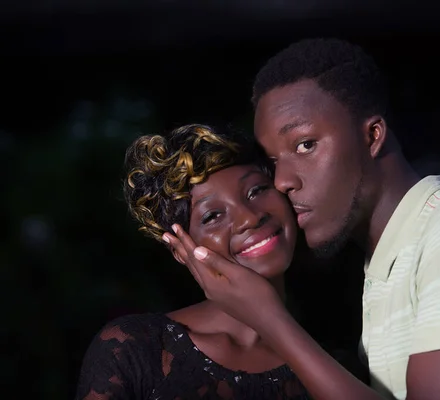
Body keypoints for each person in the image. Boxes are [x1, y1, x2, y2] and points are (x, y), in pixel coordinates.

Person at [166, 38, 440, 399]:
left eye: (305, 145)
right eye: (273, 162)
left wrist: (269, 318)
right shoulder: (391, 259)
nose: (283, 181)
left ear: (372, 136)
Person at [75, 124, 311, 399]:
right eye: (212, 216)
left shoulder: (337, 361)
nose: (249, 218)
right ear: (180, 249)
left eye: (256, 190)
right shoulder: (134, 348)